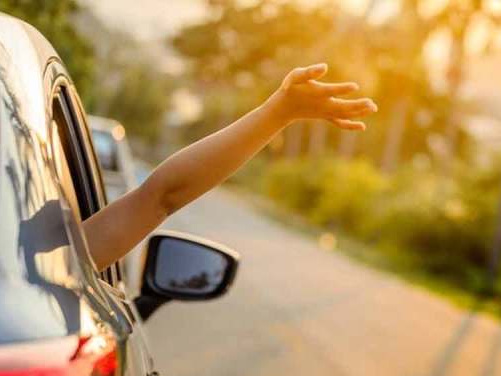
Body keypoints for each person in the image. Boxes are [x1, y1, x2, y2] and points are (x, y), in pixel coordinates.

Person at [83, 63, 378, 270]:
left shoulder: (63, 257)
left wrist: (279, 112)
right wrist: (279, 113)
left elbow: (162, 195)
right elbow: (159, 197)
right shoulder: (65, 259)